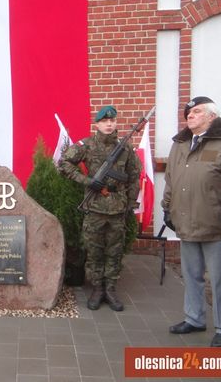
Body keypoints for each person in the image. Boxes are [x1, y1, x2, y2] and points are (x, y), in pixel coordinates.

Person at [162, 96, 221, 347]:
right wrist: (167, 208)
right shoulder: (181, 143)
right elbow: (171, 180)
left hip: (215, 224)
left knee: (220, 279)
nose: (190, 115)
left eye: (196, 111)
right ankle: (194, 317)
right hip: (186, 222)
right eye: (188, 112)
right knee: (192, 275)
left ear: (212, 116)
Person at [59, 105, 141, 311]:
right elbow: (64, 163)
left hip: (118, 210)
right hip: (95, 209)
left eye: (112, 121)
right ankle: (97, 289)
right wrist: (87, 181)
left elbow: (133, 178)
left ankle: (110, 290)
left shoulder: (126, 148)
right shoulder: (86, 145)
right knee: (94, 252)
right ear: (97, 124)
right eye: (105, 121)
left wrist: (130, 205)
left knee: (114, 252)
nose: (109, 124)